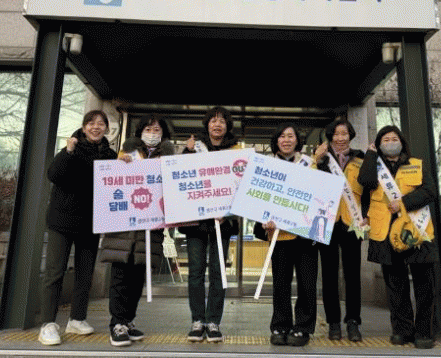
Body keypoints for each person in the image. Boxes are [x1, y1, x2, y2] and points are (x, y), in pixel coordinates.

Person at [38, 110, 117, 346]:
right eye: (91, 123)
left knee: (85, 274)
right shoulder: (71, 149)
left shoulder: (110, 155)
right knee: (54, 272)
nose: (96, 127)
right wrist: (68, 151)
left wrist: (123, 166)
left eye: (101, 123)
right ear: (84, 128)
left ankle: (77, 318)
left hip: (91, 223)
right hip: (62, 221)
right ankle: (48, 324)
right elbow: (54, 174)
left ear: (107, 129)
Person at [357, 125, 438, 349]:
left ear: (402, 142)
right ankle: (402, 330)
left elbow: (429, 191)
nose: (390, 142)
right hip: (385, 234)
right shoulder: (374, 166)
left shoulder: (417, 164)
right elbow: (365, 183)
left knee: (424, 285)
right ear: (378, 144)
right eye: (385, 139)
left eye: (394, 138)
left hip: (416, 231)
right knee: (395, 286)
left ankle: (424, 332)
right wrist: (370, 154)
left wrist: (402, 203)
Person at [99, 114, 175, 346]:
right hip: (123, 229)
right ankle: (117, 324)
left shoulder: (169, 159)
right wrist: (119, 166)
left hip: (150, 229)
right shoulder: (126, 154)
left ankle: (128, 320)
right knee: (120, 276)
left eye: (157, 130)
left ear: (163, 134)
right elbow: (109, 184)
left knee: (137, 278)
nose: (152, 133)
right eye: (148, 129)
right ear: (140, 132)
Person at [179, 106, 241, 343]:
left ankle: (213, 321)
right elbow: (181, 179)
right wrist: (187, 152)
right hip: (195, 222)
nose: (217, 125)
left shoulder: (236, 151)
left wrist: (228, 213)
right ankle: (197, 320)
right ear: (207, 125)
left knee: (218, 272)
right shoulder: (194, 148)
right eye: (213, 121)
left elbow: (242, 187)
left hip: (222, 222)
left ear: (227, 126)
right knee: (195, 272)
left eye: (222, 121)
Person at [253, 123, 318, 347]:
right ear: (276, 141)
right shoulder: (266, 166)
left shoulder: (310, 165)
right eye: (282, 136)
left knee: (307, 283)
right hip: (278, 236)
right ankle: (280, 326)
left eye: (290, 136)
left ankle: (303, 328)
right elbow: (259, 198)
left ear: (297, 140)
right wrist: (263, 219)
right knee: (281, 284)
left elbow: (320, 196)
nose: (286, 140)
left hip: (305, 235)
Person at [312, 117, 365, 341]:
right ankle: (333, 322)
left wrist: (367, 215)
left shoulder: (361, 158)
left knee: (353, 275)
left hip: (353, 222)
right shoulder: (321, 159)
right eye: (336, 134)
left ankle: (353, 321)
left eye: (344, 134)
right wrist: (316, 159)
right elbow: (309, 183)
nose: (341, 138)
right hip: (326, 221)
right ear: (330, 137)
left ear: (350, 136)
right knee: (329, 275)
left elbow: (369, 189)